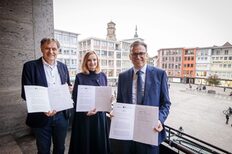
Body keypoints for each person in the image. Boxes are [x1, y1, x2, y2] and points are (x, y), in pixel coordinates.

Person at [111, 41, 171, 154]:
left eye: (141, 53)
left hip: (150, 132)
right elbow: (120, 103)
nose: (138, 57)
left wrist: (159, 120)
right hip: (127, 134)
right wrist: (116, 112)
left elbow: (166, 104)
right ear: (130, 56)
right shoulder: (123, 76)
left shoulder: (160, 74)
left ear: (146, 55)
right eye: (134, 54)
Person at [21, 38, 72, 154]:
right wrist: (43, 108)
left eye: (54, 49)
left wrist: (68, 89)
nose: (51, 51)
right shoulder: (30, 67)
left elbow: (67, 86)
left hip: (61, 116)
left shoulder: (63, 67)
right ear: (41, 49)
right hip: (41, 116)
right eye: (47, 48)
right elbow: (26, 94)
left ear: (58, 50)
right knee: (43, 150)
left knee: (60, 148)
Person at [68, 51, 111, 154]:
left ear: (98, 61)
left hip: (100, 118)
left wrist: (110, 99)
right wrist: (84, 112)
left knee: (99, 145)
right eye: (89, 60)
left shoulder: (103, 76)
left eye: (94, 59)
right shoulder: (80, 77)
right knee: (85, 146)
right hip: (85, 118)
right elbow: (75, 99)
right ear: (85, 62)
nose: (92, 62)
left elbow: (105, 96)